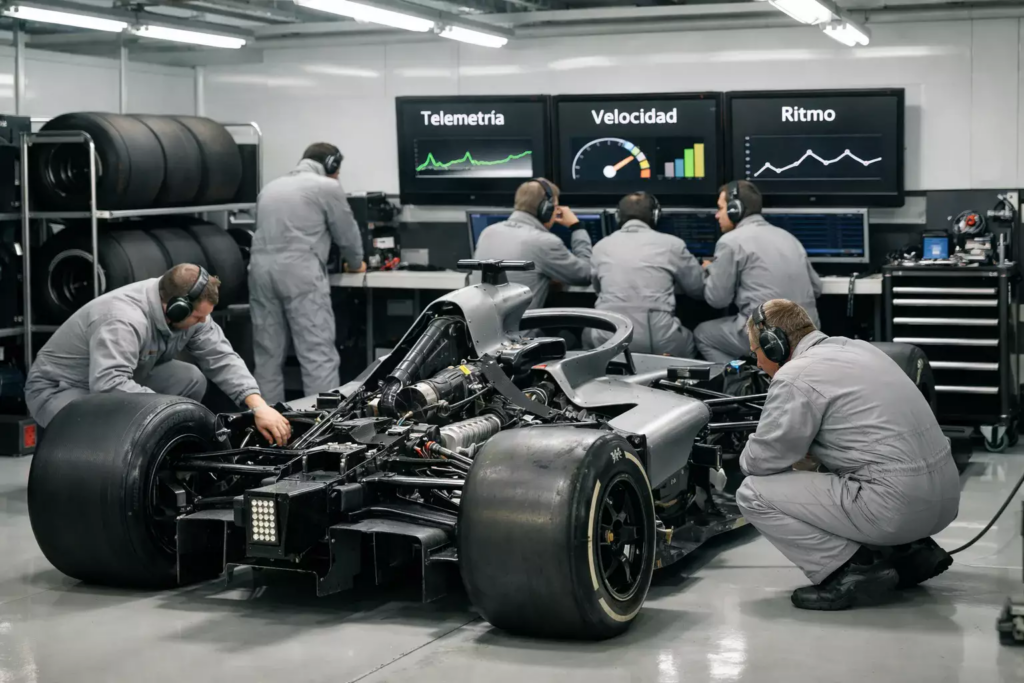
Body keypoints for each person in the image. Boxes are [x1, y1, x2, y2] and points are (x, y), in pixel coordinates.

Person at [735, 299, 960, 611]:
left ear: (775, 346)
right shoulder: (861, 350)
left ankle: (851, 571)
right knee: (843, 463)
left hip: (896, 507)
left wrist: (744, 451)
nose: (757, 363)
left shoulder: (797, 376)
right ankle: (909, 552)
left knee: (752, 493)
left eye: (756, 352)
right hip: (946, 498)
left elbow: (763, 461)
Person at [25, 264, 291, 445]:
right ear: (174, 308)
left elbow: (222, 358)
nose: (203, 322)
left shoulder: (193, 313)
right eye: (198, 316)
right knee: (100, 432)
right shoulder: (122, 319)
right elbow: (108, 386)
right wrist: (168, 413)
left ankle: (155, 446)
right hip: (61, 390)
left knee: (190, 378)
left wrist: (259, 406)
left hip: (117, 378)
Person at [249, 142, 365, 405]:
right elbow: (347, 234)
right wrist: (357, 263)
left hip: (259, 273)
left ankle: (267, 426)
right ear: (332, 165)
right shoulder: (327, 187)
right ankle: (320, 425)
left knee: (267, 356)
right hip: (300, 273)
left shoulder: (270, 188)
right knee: (316, 352)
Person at [695, 180, 822, 363]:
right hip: (807, 333)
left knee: (703, 335)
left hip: (770, 335)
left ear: (735, 209)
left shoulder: (730, 241)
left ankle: (740, 386)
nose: (716, 215)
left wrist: (712, 272)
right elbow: (817, 288)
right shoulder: (788, 237)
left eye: (720, 208)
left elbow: (717, 299)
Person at [585, 192, 704, 357]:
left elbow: (598, 289)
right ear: (655, 216)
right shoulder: (672, 244)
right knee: (691, 341)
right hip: (658, 339)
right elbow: (697, 289)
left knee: (588, 336)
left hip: (609, 336)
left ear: (618, 217)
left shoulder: (600, 247)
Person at [474, 178, 591, 309]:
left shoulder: (488, 232)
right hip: (518, 329)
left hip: (481, 328)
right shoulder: (544, 241)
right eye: (556, 207)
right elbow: (585, 275)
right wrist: (577, 227)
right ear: (546, 209)